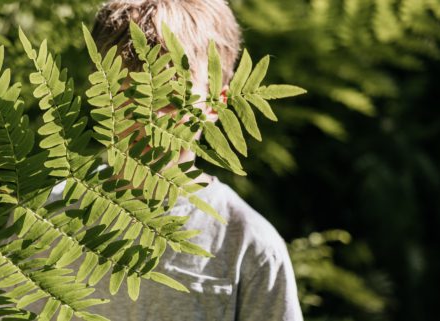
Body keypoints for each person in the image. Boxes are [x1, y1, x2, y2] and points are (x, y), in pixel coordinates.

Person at [76, 0, 304, 320]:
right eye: (128, 96)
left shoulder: (248, 246)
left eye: (170, 101)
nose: (148, 120)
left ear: (215, 103)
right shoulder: (43, 217)